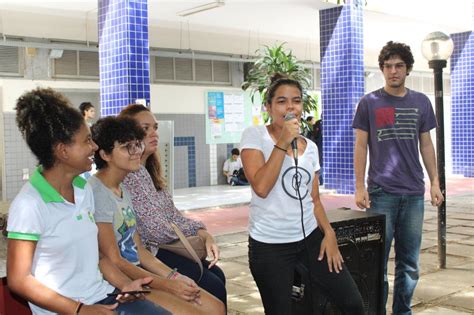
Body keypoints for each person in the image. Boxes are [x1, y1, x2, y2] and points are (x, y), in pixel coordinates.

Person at [6, 88, 170, 315]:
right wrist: (80, 309)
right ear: (63, 151)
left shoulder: (84, 191)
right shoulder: (29, 205)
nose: (94, 147)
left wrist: (125, 285)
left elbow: (99, 256)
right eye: (87, 141)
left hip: (102, 297)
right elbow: (18, 280)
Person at [240, 73, 364, 315]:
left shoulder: (311, 147)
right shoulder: (255, 136)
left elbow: (314, 199)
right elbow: (262, 187)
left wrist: (328, 233)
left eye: (296, 101)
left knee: (352, 303)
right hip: (270, 245)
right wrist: (283, 142)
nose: (290, 107)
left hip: (309, 238)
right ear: (269, 106)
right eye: (281, 101)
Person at [89, 116, 225, 315]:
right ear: (105, 154)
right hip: (119, 283)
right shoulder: (97, 192)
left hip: (140, 275)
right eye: (127, 147)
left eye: (137, 145)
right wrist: (168, 285)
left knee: (216, 307)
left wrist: (174, 277)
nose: (137, 152)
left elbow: (139, 251)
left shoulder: (121, 189)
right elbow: (115, 260)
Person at [353, 41, 444, 315]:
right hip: (381, 193)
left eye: (399, 66)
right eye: (388, 66)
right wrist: (359, 186)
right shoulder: (369, 102)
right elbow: (360, 145)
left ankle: (402, 311)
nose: (393, 71)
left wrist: (435, 182)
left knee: (409, 264)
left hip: (414, 194)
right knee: (377, 263)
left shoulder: (421, 102)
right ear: (382, 69)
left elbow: (426, 144)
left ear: (408, 69)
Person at [305, 116, 323, 185]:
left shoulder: (317, 124)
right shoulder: (310, 127)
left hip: (317, 146)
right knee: (319, 164)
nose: (314, 121)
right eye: (312, 120)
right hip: (314, 147)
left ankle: (320, 181)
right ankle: (320, 181)